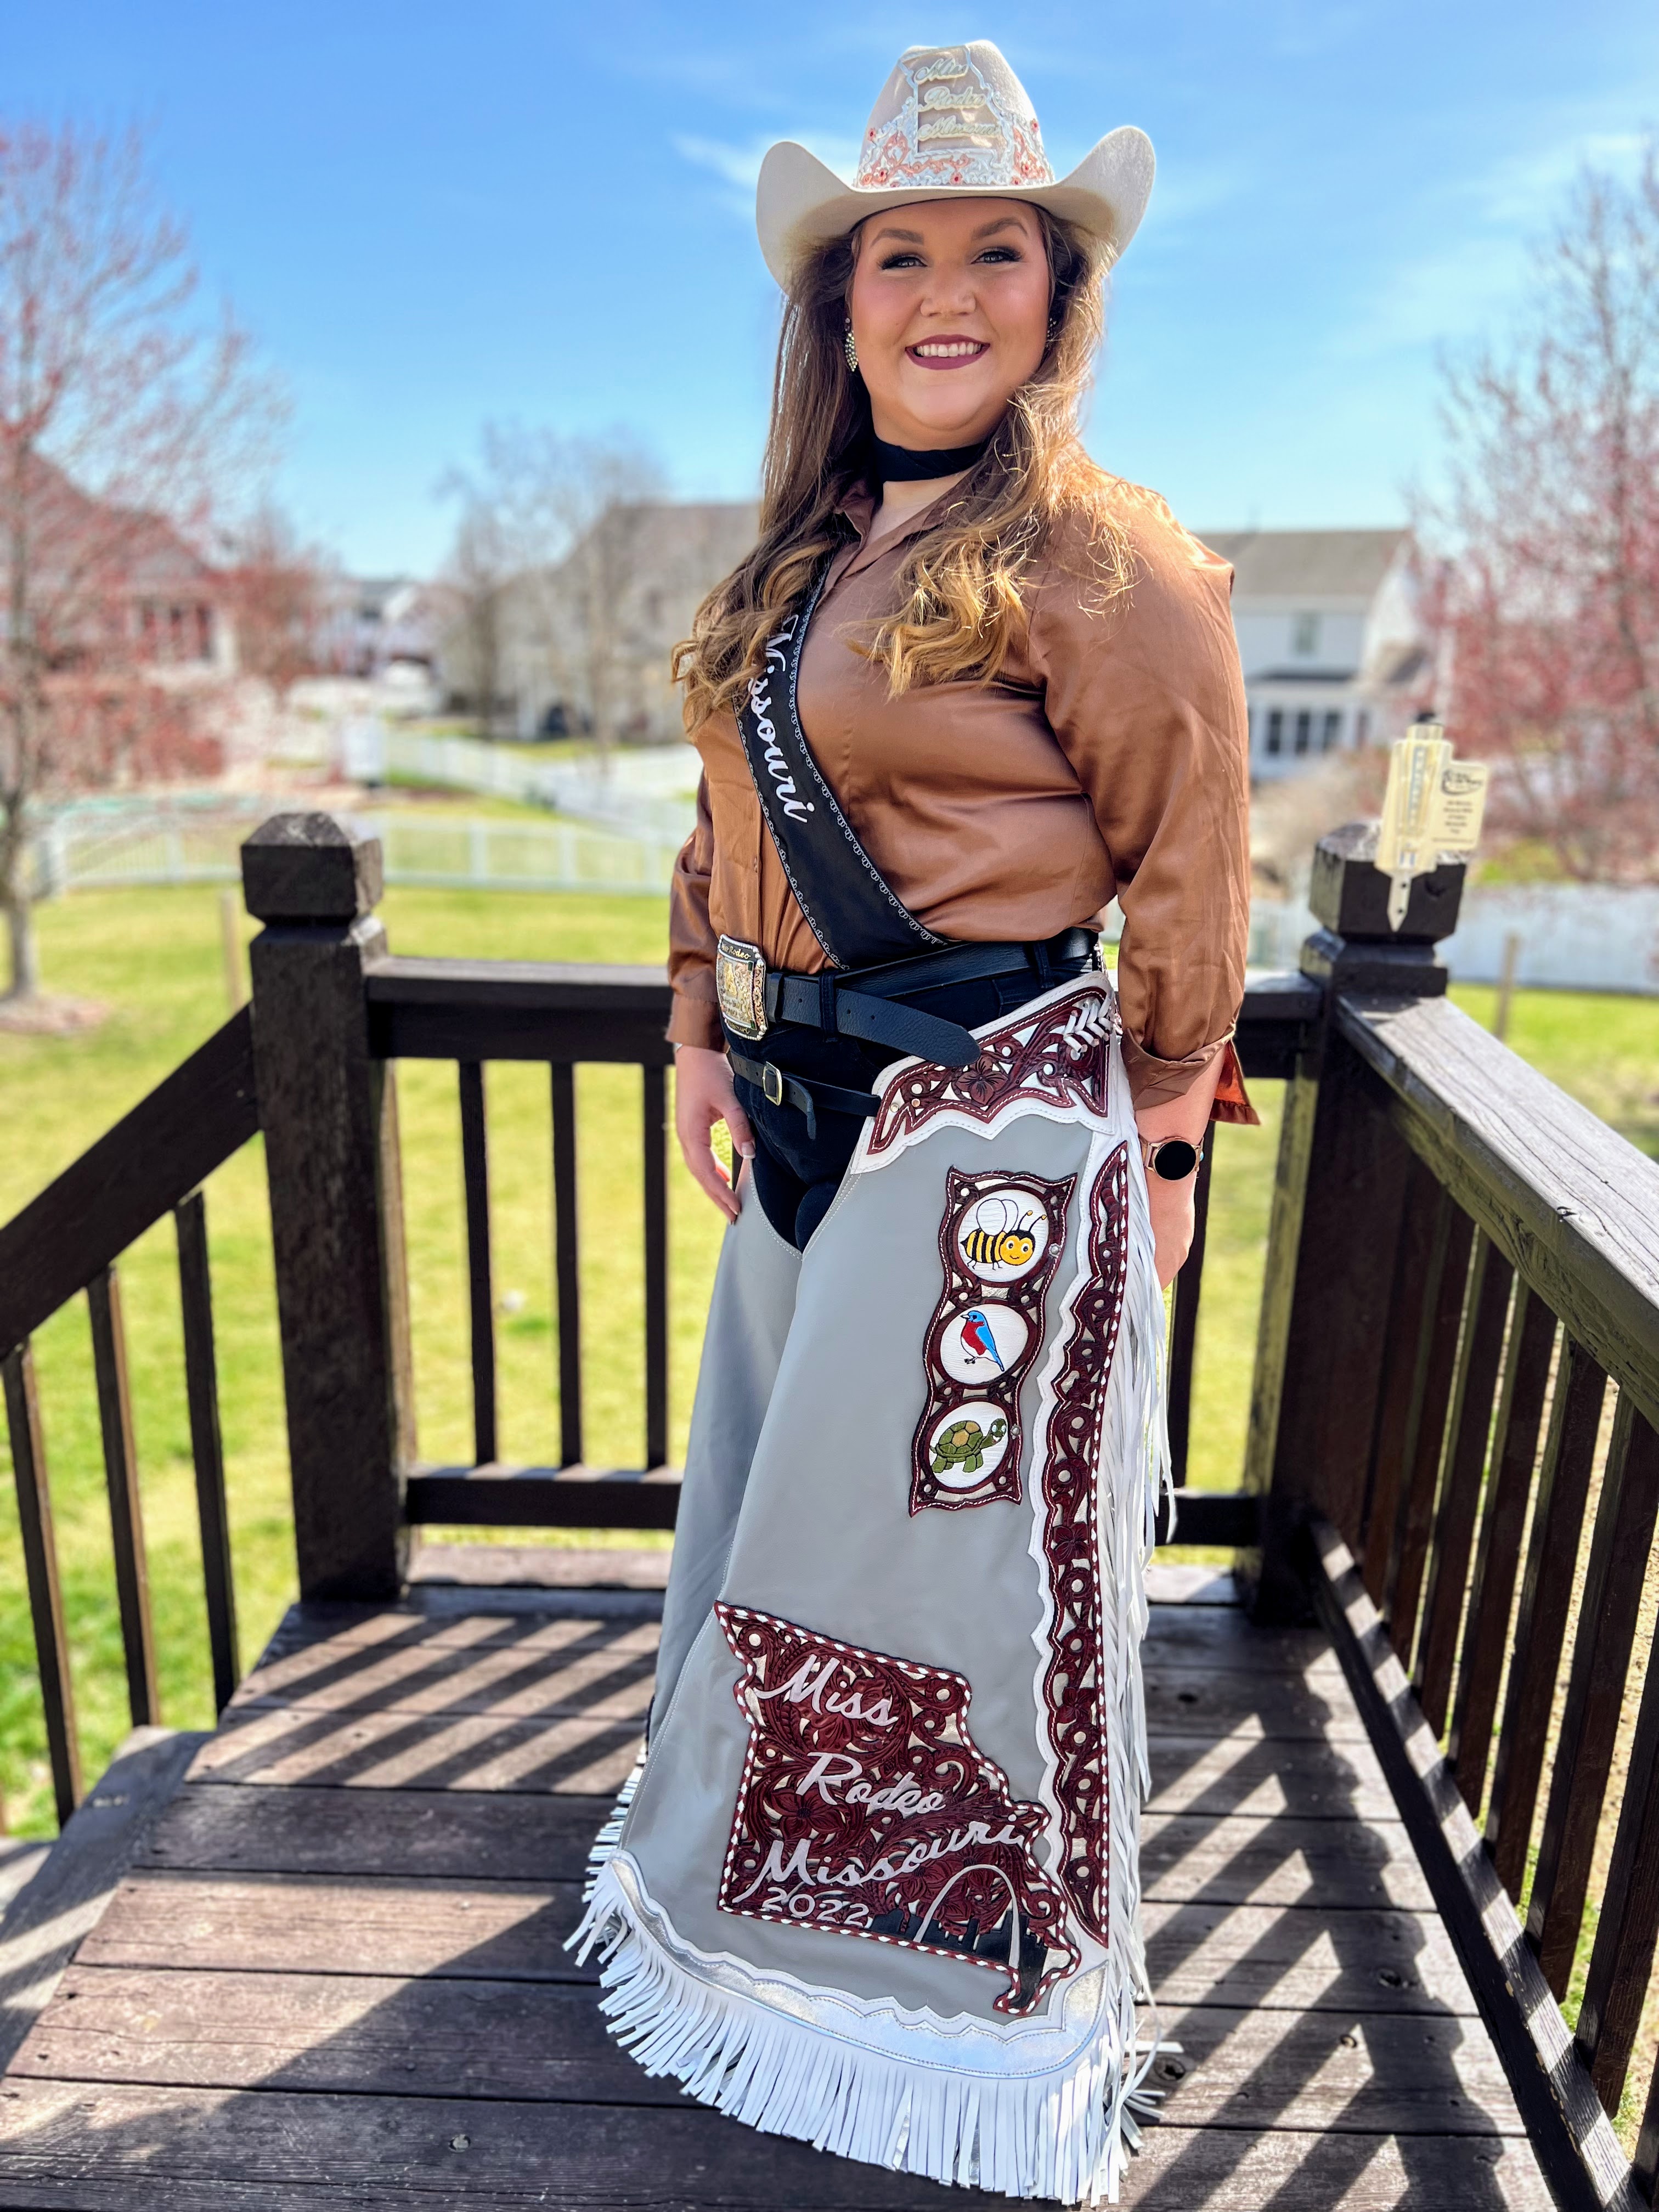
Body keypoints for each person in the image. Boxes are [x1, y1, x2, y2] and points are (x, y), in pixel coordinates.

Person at [574, 42, 1254, 2205]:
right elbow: (721, 830)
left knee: (927, 1570)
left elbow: (1193, 871)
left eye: (995, 253)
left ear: (1057, 297)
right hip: (795, 1110)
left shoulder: (1107, 561)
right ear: (840, 302)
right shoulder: (800, 559)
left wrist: (1161, 1146)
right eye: (899, 256)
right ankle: (734, 1931)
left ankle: (938, 2022)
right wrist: (699, 1030)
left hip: (982, 1140)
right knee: (774, 1524)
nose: (944, 293)